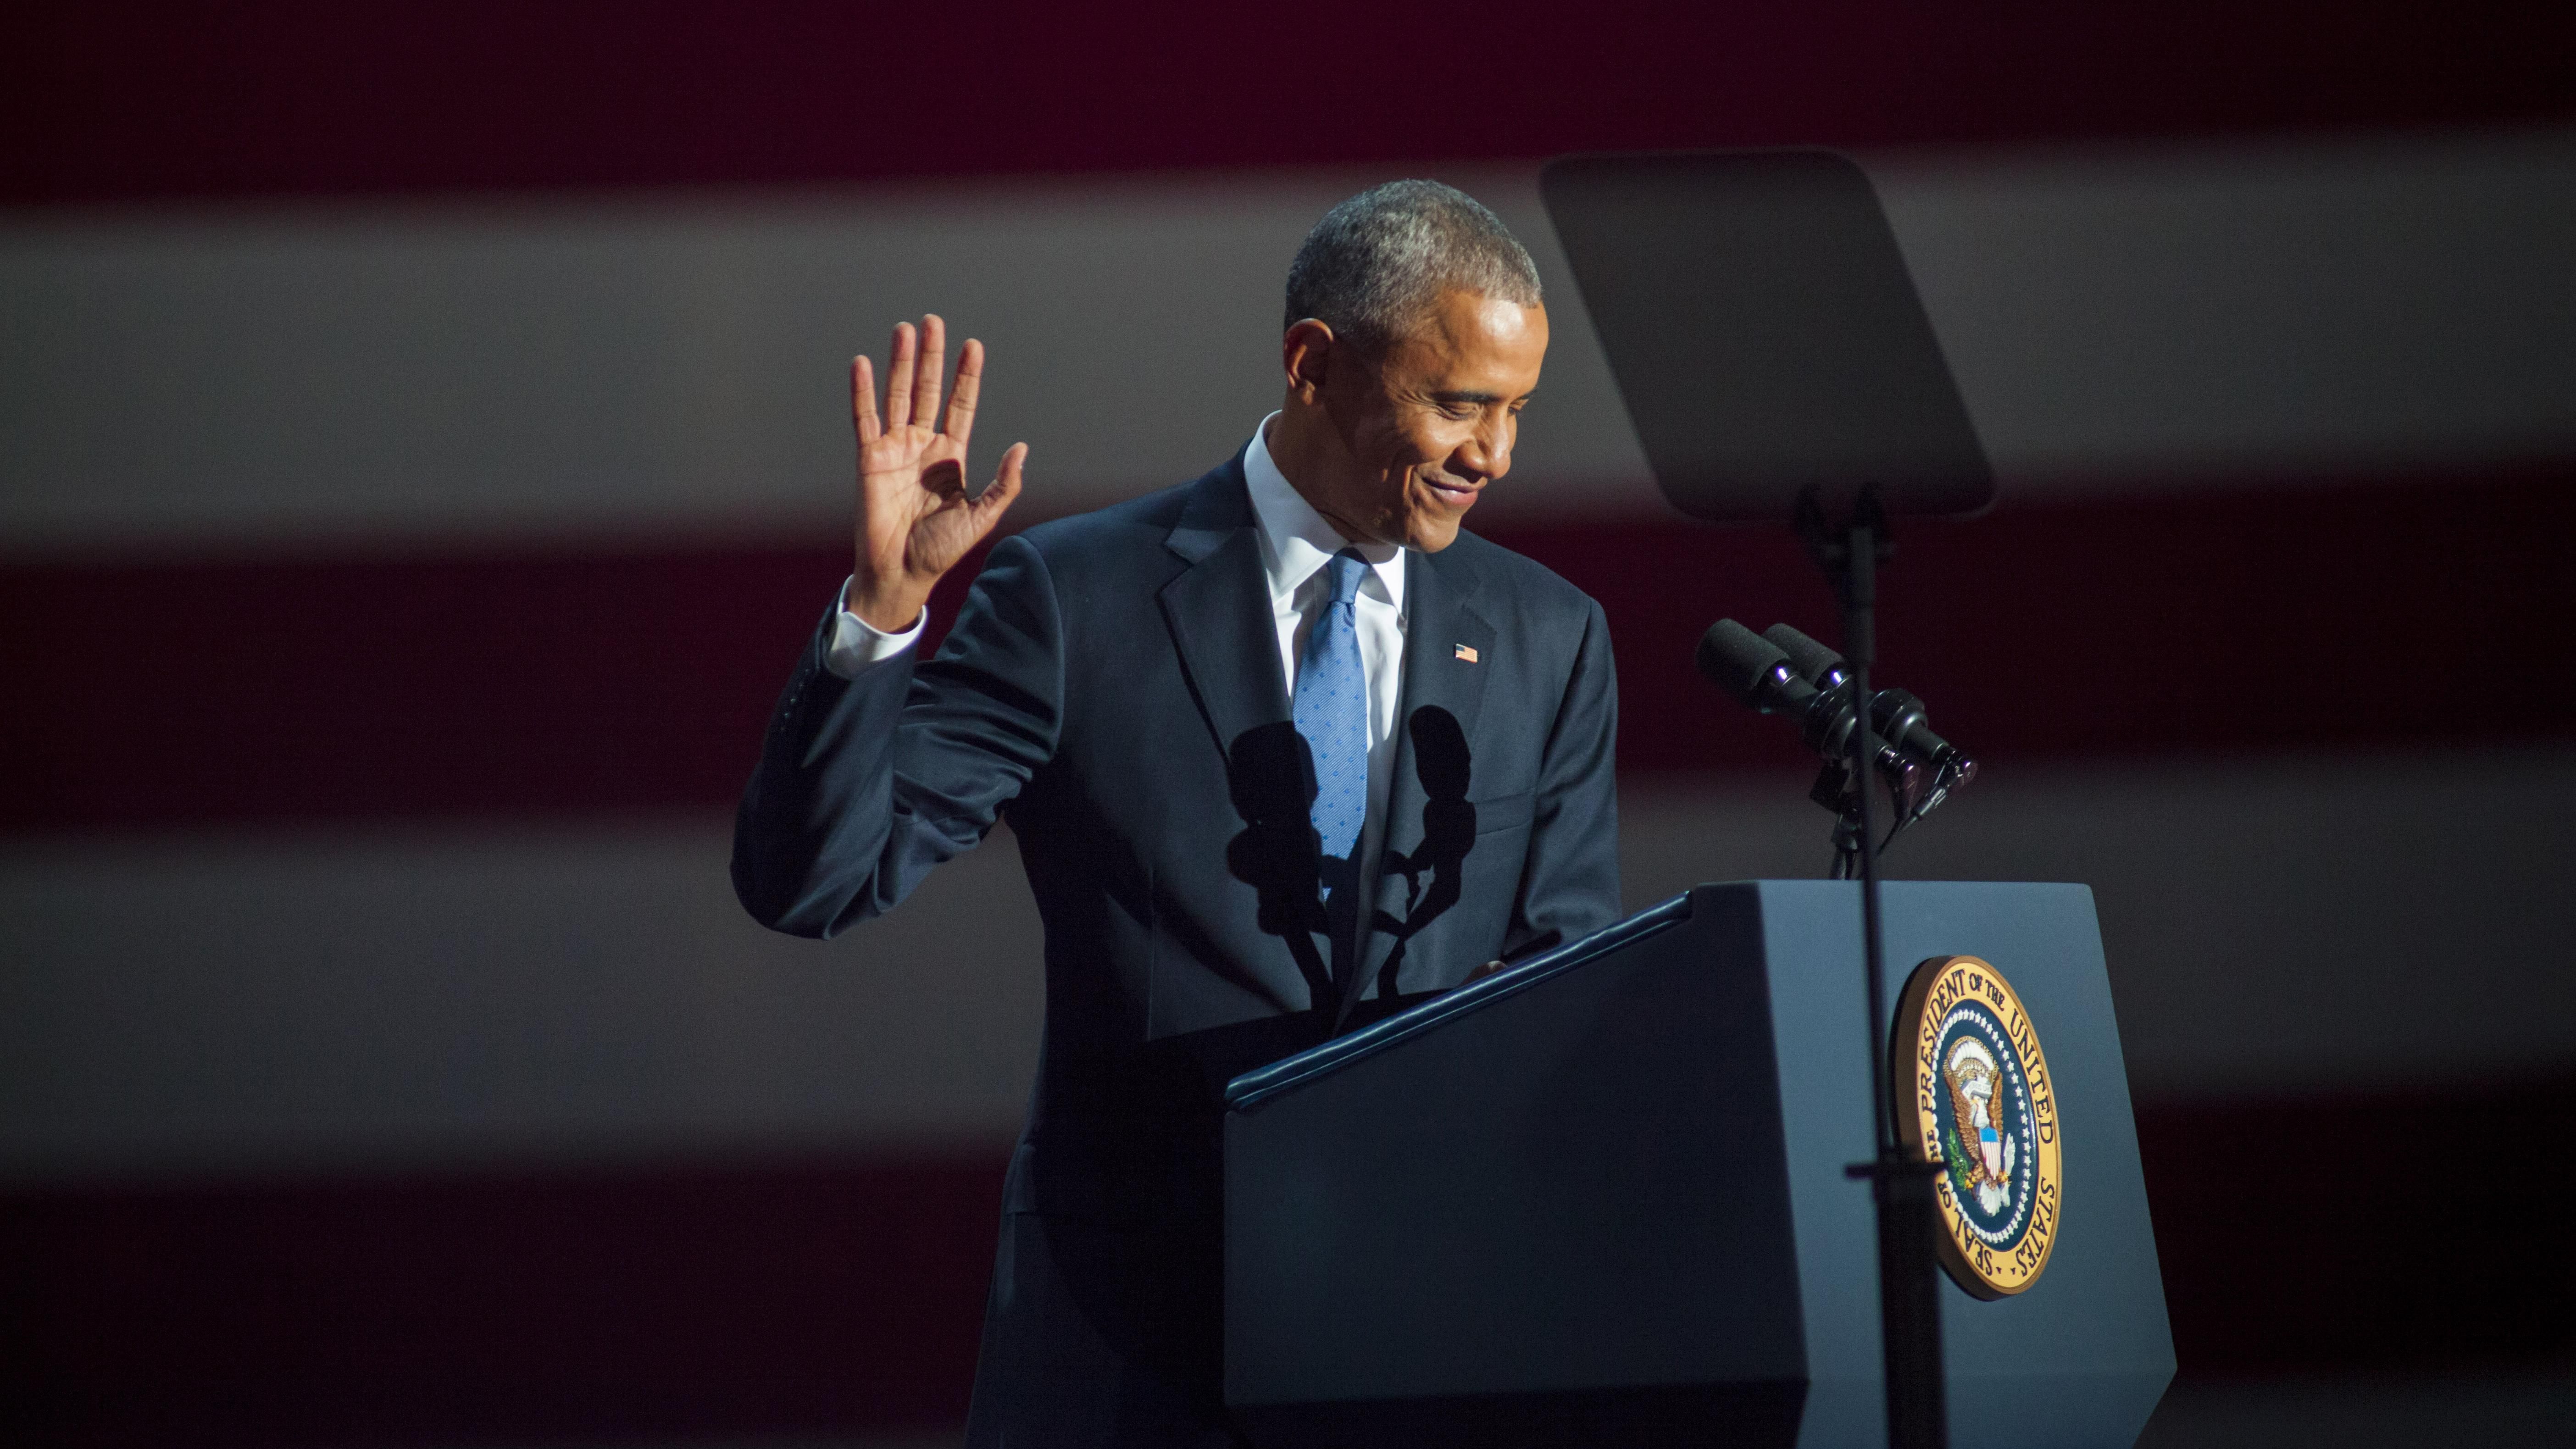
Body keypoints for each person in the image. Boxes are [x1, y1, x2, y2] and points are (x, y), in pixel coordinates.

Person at [734, 181, 1622, 1448]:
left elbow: (1566, 986)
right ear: (1314, 364)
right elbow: (814, 884)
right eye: (1460, 405)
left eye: (1518, 410)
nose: (1497, 455)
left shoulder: (1549, 635)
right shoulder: (1075, 599)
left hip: (1419, 1337)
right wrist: (882, 616)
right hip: (1127, 1345)